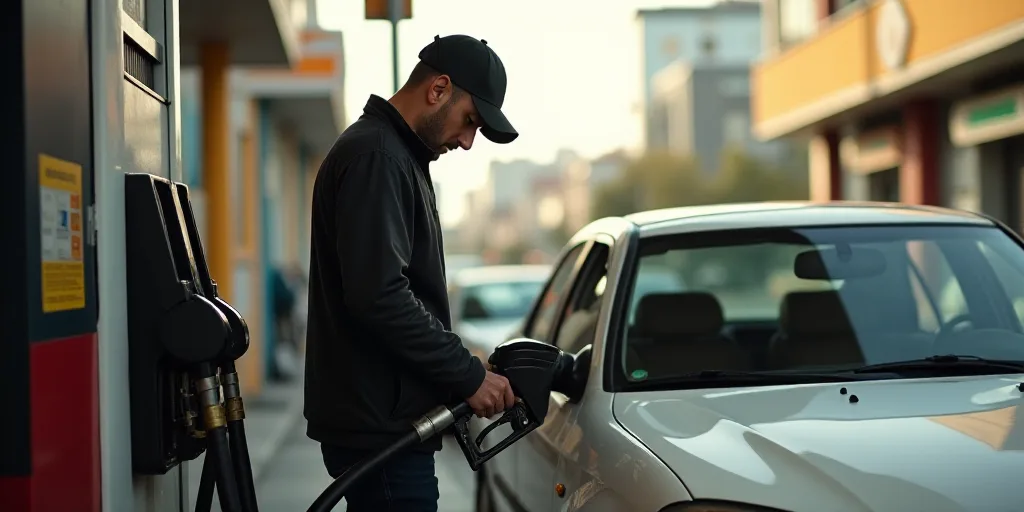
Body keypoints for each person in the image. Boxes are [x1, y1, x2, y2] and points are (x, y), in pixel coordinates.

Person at [303, 34, 519, 511]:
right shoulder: (377, 157)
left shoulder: (394, 156)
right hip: (381, 427)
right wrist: (466, 374)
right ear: (439, 89)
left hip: (386, 420)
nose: (466, 141)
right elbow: (380, 295)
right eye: (470, 122)